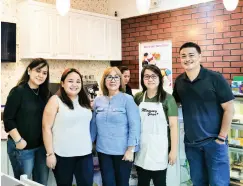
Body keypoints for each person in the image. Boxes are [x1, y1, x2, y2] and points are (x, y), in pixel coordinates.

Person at [173, 42, 235, 186]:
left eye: (191, 55)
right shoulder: (180, 81)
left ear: (200, 56)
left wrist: (221, 138)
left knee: (218, 183)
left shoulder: (215, 78)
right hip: (191, 144)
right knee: (198, 182)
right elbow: (174, 104)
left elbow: (229, 109)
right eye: (183, 56)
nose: (187, 59)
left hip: (214, 142)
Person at [42, 68, 94, 186]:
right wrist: (50, 154)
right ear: (62, 83)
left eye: (78, 81)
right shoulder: (55, 100)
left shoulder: (84, 100)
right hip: (63, 155)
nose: (74, 84)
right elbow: (46, 128)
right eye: (70, 81)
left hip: (85, 154)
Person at [3, 58, 50, 185]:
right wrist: (19, 141)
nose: (41, 75)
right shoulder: (18, 91)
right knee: (24, 183)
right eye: (38, 71)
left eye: (44, 73)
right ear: (29, 70)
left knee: (41, 183)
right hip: (23, 149)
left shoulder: (45, 94)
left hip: (41, 148)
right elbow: (8, 119)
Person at [91, 67, 141, 186]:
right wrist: (90, 143)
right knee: (108, 183)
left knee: (122, 183)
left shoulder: (127, 99)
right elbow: (93, 125)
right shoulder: (98, 101)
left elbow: (135, 125)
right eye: (109, 77)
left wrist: (131, 149)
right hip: (103, 150)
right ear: (104, 80)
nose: (112, 80)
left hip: (123, 152)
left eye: (116, 77)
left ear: (120, 81)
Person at [134, 64, 178, 186]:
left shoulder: (168, 99)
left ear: (160, 78)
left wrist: (173, 151)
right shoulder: (138, 97)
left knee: (160, 182)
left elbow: (174, 126)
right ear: (142, 79)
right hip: (142, 147)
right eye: (146, 76)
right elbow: (133, 123)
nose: (150, 79)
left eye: (154, 76)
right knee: (142, 182)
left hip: (160, 149)